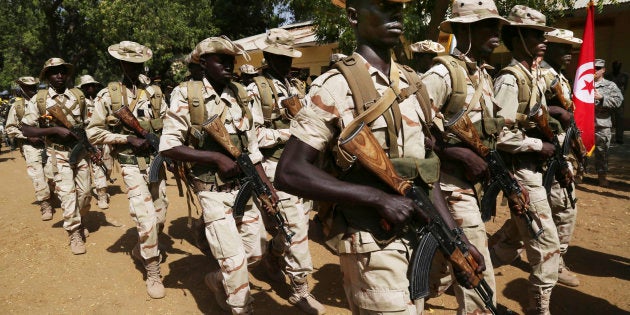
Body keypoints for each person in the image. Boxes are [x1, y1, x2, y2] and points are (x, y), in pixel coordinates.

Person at [275, 0, 486, 314]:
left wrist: (454, 236)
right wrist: (376, 198)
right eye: (385, 6)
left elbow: (428, 174)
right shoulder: (336, 86)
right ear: (353, 16)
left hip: (417, 233)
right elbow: (290, 171)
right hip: (369, 240)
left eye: (399, 7)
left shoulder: (414, 85)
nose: (397, 14)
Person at [160, 36, 268, 314]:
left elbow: (252, 149)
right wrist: (214, 157)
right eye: (222, 60)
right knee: (235, 263)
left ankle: (217, 280)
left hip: (244, 188)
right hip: (212, 192)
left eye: (231, 60)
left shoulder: (241, 94)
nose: (229, 65)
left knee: (255, 253)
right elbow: (169, 147)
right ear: (204, 63)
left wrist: (267, 188)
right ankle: (241, 307)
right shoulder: (187, 95)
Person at [419, 0, 508, 313]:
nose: (496, 34)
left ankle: (410, 295)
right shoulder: (442, 75)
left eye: (498, 27)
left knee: (439, 268)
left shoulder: (483, 76)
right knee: (474, 272)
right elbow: (413, 135)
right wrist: (456, 153)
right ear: (463, 30)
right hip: (447, 187)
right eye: (488, 26)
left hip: (471, 187)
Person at [247, 27, 325, 315]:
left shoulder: (296, 87)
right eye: (278, 57)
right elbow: (253, 137)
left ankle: (272, 257)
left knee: (293, 225)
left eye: (287, 57)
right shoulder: (255, 90)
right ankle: (299, 289)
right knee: (295, 228)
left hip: (301, 166)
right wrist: (289, 132)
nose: (284, 63)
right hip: (275, 166)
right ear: (267, 56)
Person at [490, 6, 562, 314]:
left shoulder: (531, 75)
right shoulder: (510, 80)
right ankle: (538, 309)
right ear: (517, 37)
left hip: (533, 170)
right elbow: (500, 136)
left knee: (517, 236)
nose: (542, 40)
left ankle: (456, 275)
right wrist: (537, 145)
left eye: (543, 34)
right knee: (546, 246)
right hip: (519, 173)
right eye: (534, 34)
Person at [86, 41, 169, 299]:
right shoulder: (108, 95)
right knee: (145, 221)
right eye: (129, 63)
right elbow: (92, 132)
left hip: (156, 162)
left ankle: (140, 248)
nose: (134, 68)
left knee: (160, 217)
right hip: (131, 164)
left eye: (138, 63)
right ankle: (152, 270)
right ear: (121, 64)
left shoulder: (155, 92)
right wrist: (127, 139)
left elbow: (168, 124)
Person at [21, 58, 92, 255]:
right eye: (54, 72)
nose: (59, 75)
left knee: (85, 193)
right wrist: (53, 130)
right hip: (57, 153)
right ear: (47, 76)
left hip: (80, 152)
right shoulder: (40, 100)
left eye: (62, 71)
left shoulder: (78, 96)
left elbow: (89, 124)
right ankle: (74, 231)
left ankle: (81, 217)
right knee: (67, 193)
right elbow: (26, 128)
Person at [540, 28, 583, 287]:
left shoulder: (558, 76)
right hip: (547, 153)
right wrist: (556, 110)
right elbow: (530, 107)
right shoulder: (543, 74)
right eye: (563, 49)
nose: (569, 54)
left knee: (555, 209)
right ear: (550, 48)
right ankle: (555, 262)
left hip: (560, 151)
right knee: (563, 209)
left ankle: (554, 259)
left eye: (571, 50)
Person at [5, 76, 55, 220]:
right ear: (21, 88)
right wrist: (27, 137)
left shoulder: (44, 102)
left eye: (34, 87)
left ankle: (51, 193)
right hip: (30, 146)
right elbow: (10, 128)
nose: (32, 90)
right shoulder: (17, 106)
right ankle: (45, 204)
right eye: (28, 87)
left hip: (49, 143)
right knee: (37, 175)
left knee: (52, 173)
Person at [78, 74, 112, 209]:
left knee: (106, 167)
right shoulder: (80, 103)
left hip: (102, 138)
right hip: (85, 139)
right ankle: (101, 195)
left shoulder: (101, 100)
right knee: (92, 167)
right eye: (87, 86)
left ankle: (101, 190)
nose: (90, 88)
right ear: (82, 88)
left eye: (92, 85)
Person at [593, 58, 624, 186]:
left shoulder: (610, 85)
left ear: (603, 70)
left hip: (602, 124)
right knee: (581, 150)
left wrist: (602, 98)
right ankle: (579, 173)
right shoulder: (582, 84)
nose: (595, 71)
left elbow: (618, 101)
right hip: (584, 123)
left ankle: (602, 176)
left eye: (598, 68)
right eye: (593, 68)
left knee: (602, 151)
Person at [606, 60, 628, 144]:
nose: (616, 67)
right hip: (610, 100)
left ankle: (619, 138)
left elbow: (625, 87)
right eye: (615, 66)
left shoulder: (625, 76)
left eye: (618, 66)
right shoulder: (608, 76)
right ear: (612, 66)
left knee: (620, 119)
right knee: (609, 119)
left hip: (620, 101)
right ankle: (608, 137)